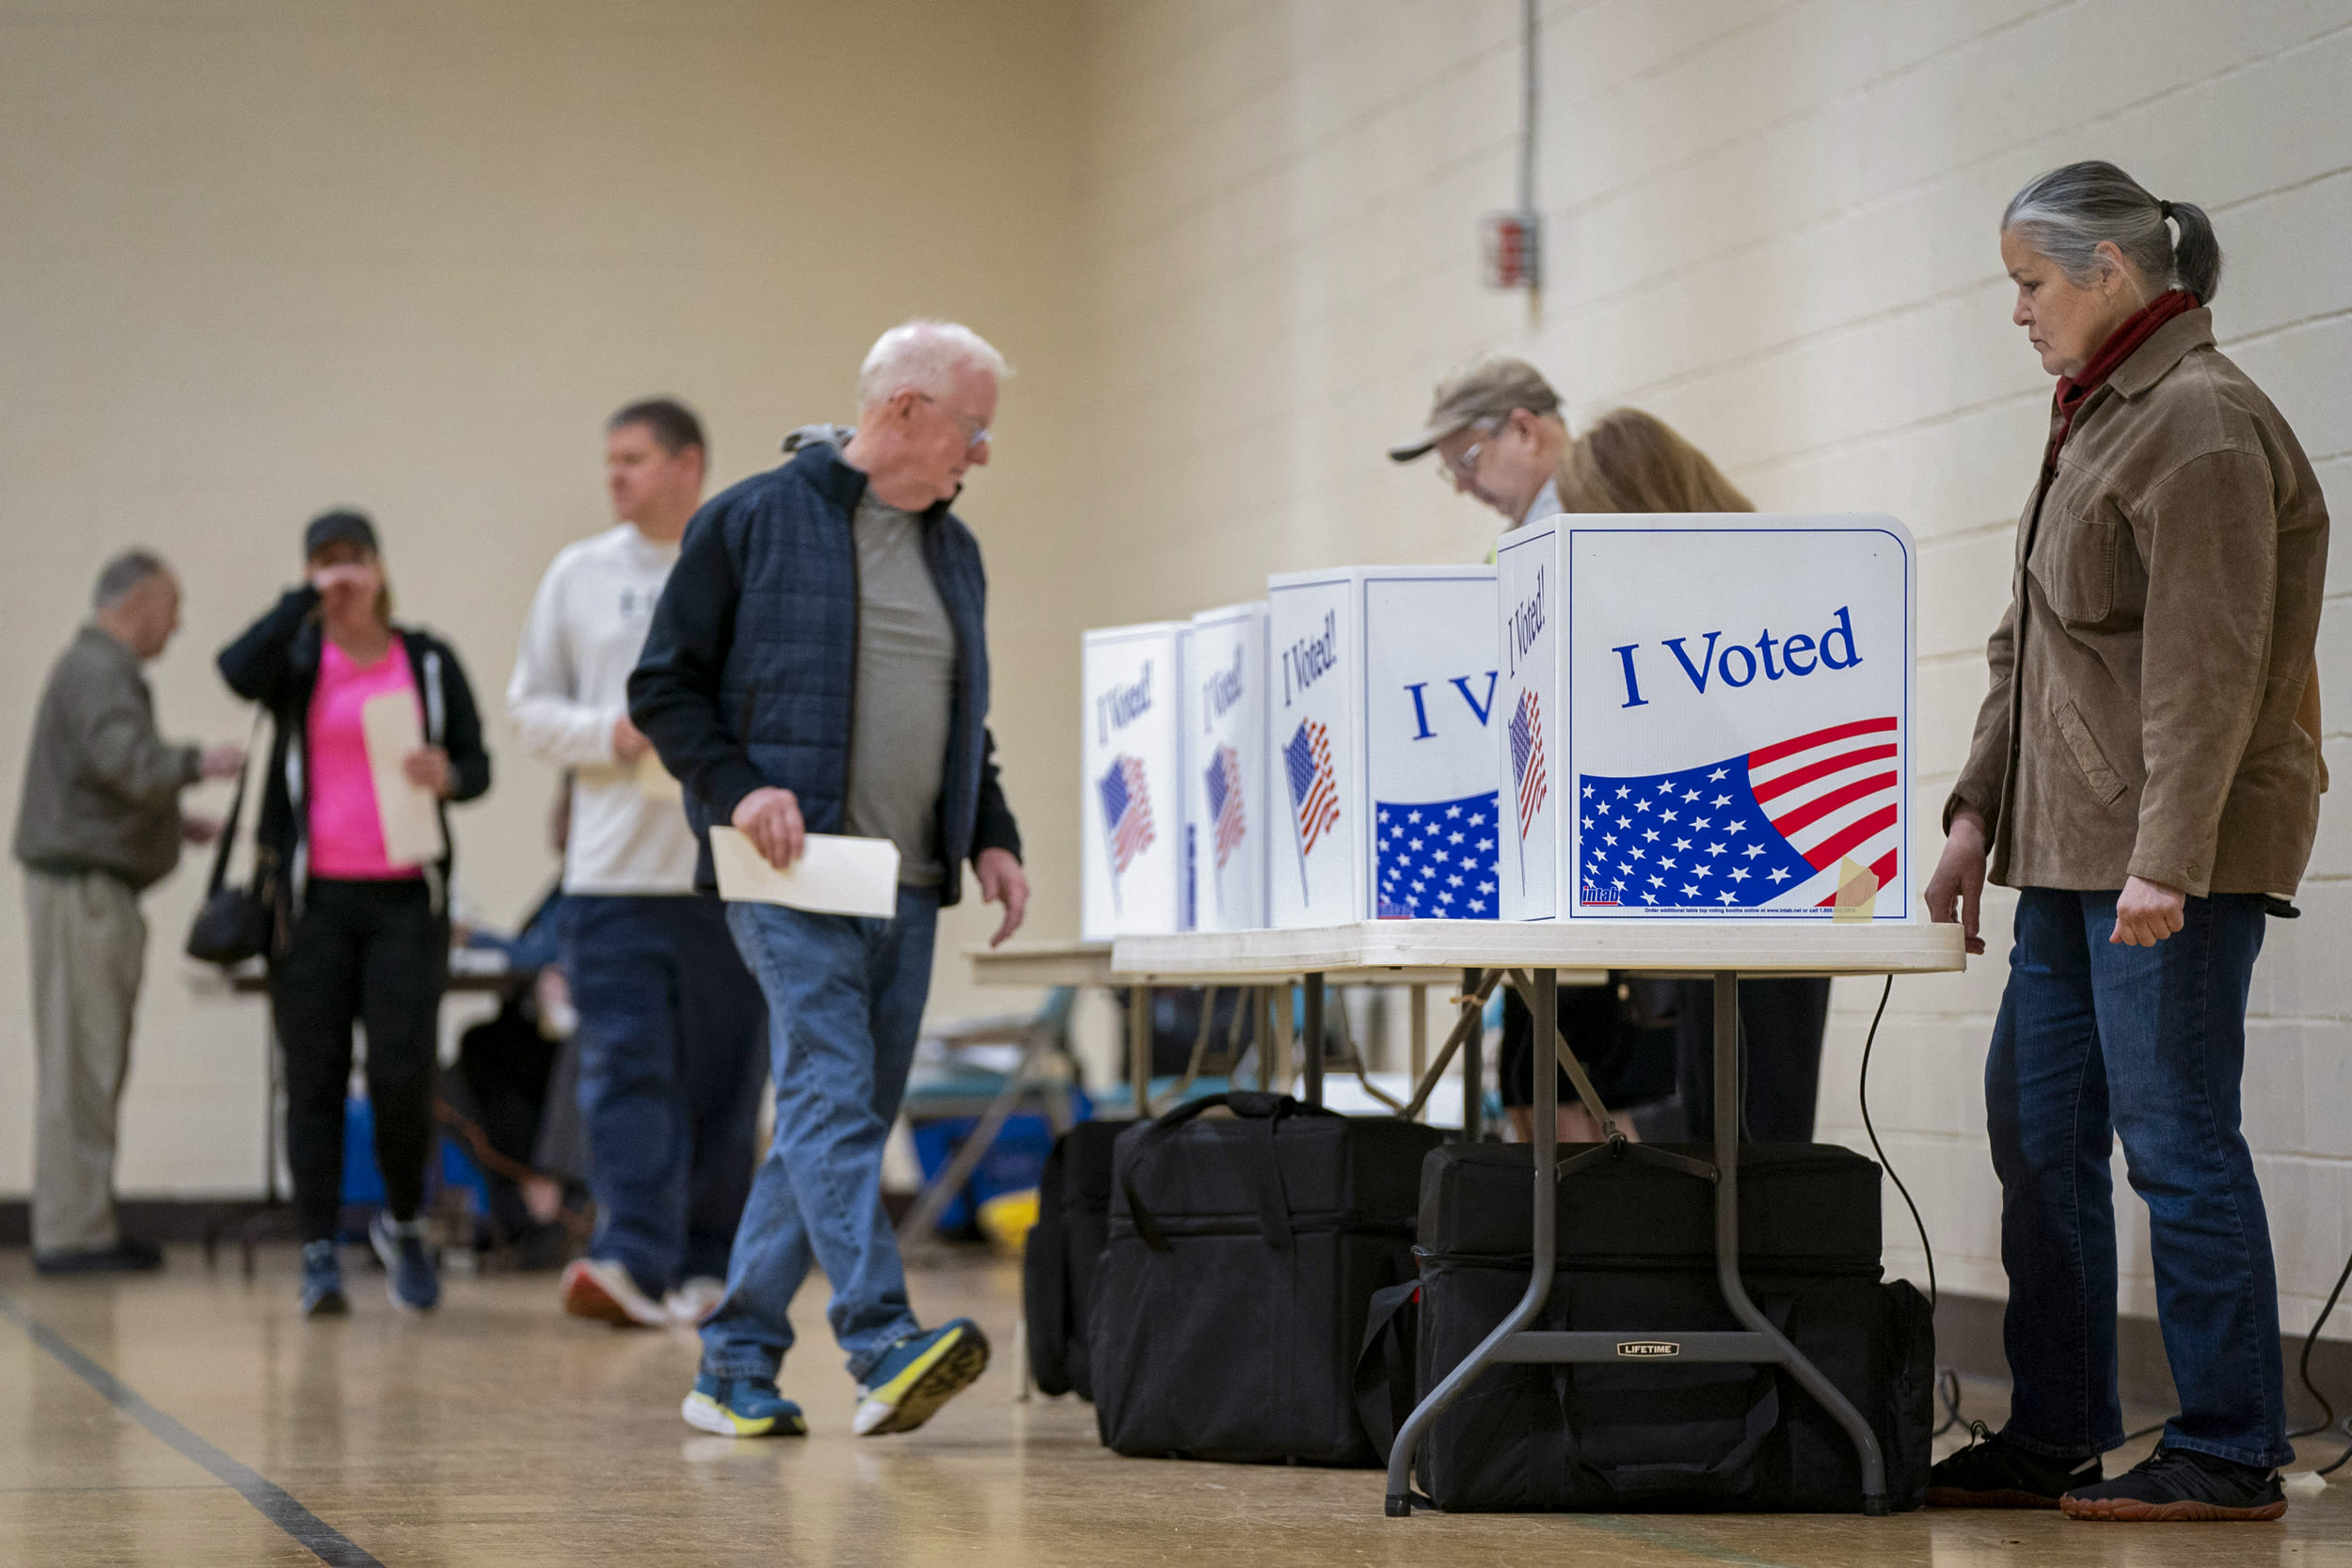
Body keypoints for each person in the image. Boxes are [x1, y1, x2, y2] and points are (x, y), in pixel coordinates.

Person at [1924, 162, 2328, 1524]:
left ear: (2107, 271)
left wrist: (2170, 854)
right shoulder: (2095, 419)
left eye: (2030, 285)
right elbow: (2028, 646)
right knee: (2036, 1127)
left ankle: (2227, 1445)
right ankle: (2057, 1426)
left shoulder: (2201, 425)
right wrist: (1977, 811)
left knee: (2176, 1139)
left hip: (2169, 855)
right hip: (2070, 848)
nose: (2018, 312)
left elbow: (2210, 669)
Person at [631, 319, 1030, 1440]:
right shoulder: (752, 522)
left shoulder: (956, 552)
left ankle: (735, 1362)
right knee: (827, 1096)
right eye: (975, 424)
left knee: (831, 1118)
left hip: (905, 882)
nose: (984, 451)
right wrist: (737, 783)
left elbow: (967, 720)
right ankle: (879, 1337)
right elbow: (665, 688)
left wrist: (990, 830)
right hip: (789, 871)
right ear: (903, 410)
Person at [509, 397, 767, 1328]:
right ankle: (628, 1254)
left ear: (688, 464)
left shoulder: (740, 561)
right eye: (609, 458)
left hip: (723, 870)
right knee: (623, 1072)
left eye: (635, 458)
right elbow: (527, 707)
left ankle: (706, 1263)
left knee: (724, 1078)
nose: (615, 474)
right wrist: (608, 733)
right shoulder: (577, 575)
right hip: (610, 876)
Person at [218, 510, 492, 1317]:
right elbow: (234, 669)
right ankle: (316, 1250)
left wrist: (450, 773)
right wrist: (296, 603)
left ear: (379, 566)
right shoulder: (297, 657)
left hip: (408, 898)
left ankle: (404, 1223)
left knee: (404, 1074)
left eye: (352, 560)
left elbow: (478, 764)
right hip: (315, 905)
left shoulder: (428, 659)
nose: (341, 575)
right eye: (324, 562)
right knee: (314, 1077)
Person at [1551, 410, 1836, 1145]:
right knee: (1721, 1127)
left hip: (1774, 879)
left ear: (1626, 505)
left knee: (1757, 1135)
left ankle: (1754, 1264)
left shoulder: (1733, 593)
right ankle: (1731, 1263)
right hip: (1723, 885)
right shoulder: (1716, 581)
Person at [13, 551, 244, 1273]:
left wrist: (173, 824)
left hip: (91, 887)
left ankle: (84, 1220)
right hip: (83, 893)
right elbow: (120, 757)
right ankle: (73, 1232)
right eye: (170, 611)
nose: (174, 630)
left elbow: (98, 782)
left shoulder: (95, 670)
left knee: (90, 1059)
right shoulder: (96, 670)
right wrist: (195, 763)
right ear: (139, 601)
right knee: (81, 1061)